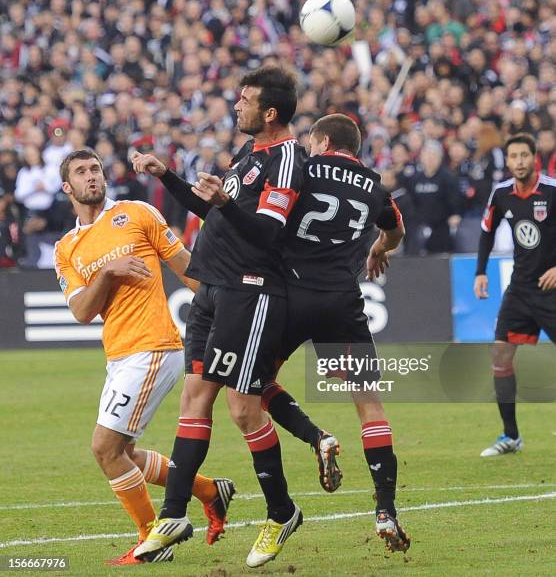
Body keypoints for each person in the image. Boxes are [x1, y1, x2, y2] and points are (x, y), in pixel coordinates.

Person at [132, 67, 307, 568]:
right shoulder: (249, 154)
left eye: (246, 99)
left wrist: (227, 203)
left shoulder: (287, 159)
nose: (237, 106)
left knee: (244, 410)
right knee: (195, 397)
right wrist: (166, 175)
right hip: (211, 288)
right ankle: (172, 515)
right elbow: (215, 211)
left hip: (248, 292)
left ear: (269, 112)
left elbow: (267, 234)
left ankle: (281, 512)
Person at [53, 148, 235, 565]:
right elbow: (82, 311)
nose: (91, 177)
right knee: (125, 453)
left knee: (104, 448)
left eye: (95, 169)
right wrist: (108, 272)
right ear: (68, 187)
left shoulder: (137, 214)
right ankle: (209, 490)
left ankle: (150, 540)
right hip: (119, 353)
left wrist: (227, 315)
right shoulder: (66, 248)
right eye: (81, 172)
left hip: (154, 346)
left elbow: (188, 269)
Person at [264, 114, 410, 552]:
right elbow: (396, 230)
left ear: (323, 141)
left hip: (289, 295)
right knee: (369, 404)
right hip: (342, 300)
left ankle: (317, 437)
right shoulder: (375, 186)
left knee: (254, 386)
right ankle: (386, 509)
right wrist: (378, 248)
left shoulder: (302, 169)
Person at [474, 133, 556, 457]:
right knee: (501, 356)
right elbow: (486, 232)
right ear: (507, 161)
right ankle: (511, 436)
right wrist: (480, 271)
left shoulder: (552, 191)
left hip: (551, 290)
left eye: (524, 156)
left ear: (534, 158)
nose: (519, 162)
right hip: (520, 289)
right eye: (514, 157)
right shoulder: (501, 194)